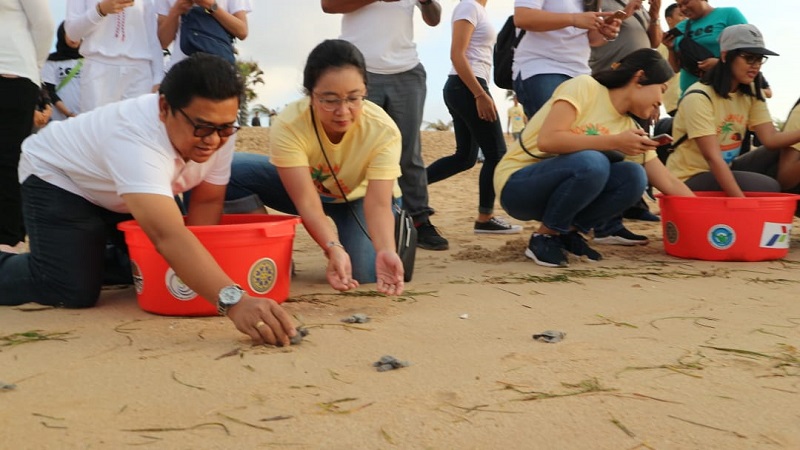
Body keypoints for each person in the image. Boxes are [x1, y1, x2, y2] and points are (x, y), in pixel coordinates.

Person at [0, 54, 296, 347]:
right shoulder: (136, 138)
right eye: (202, 127)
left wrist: (204, 284)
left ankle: (82, 252)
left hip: (124, 193)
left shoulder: (218, 130)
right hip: (60, 177)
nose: (214, 140)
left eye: (225, 128)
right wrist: (234, 301)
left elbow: (206, 203)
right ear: (164, 107)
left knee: (160, 273)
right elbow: (169, 237)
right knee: (69, 289)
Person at [222, 39, 406, 294]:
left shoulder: (383, 130)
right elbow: (307, 202)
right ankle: (267, 253)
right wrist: (332, 247)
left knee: (365, 272)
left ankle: (393, 243)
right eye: (329, 100)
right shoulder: (289, 124)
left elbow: (377, 203)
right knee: (227, 170)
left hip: (361, 199)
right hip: (309, 189)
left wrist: (385, 249)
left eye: (354, 98)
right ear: (310, 94)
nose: (343, 111)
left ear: (365, 90)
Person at [495, 48, 692, 267]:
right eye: (662, 90)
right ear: (640, 77)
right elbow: (548, 140)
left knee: (634, 175)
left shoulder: (629, 127)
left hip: (560, 193)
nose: (660, 102)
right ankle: (544, 237)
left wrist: (706, 213)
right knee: (593, 162)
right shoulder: (585, 87)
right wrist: (615, 141)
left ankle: (568, 233)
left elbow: (668, 181)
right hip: (518, 185)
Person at [321, 0, 449, 251]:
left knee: (409, 151)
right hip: (357, 69)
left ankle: (419, 220)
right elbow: (329, 5)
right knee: (356, 151)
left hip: (407, 70)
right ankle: (358, 221)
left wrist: (426, 2)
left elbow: (434, 18)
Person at [666, 24, 800, 197]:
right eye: (749, 58)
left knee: (780, 152)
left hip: (725, 167)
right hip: (690, 176)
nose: (756, 66)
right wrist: (740, 202)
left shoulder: (751, 92)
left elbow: (771, 139)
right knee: (768, 187)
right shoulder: (699, 97)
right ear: (725, 55)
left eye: (760, 59)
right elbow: (713, 159)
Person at [425, 0, 522, 235]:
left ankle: (404, 190)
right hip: (467, 86)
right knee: (496, 154)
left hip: (465, 86)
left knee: (465, 158)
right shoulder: (468, 6)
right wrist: (479, 94)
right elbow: (457, 55)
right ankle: (485, 218)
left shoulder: (478, 10)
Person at [0, 0, 54, 249]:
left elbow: (44, 24)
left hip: (13, 75)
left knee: (8, 161)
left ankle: (10, 241)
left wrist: (35, 66)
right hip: (16, 74)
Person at [512, 0, 621, 118]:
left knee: (582, 132)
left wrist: (605, 33)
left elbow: (592, 39)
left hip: (580, 73)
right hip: (542, 68)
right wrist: (573, 19)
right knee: (554, 131)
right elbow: (522, 17)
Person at [65, 0, 165, 112]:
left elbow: (152, 37)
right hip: (98, 70)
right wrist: (100, 10)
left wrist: (158, 78)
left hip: (139, 72)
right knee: (97, 127)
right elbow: (72, 33)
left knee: (137, 128)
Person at [663, 0, 746, 96]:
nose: (683, 9)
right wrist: (670, 49)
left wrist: (719, 64)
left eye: (686, 3)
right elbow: (675, 68)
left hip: (723, 94)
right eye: (679, 5)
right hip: (690, 95)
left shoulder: (729, 14)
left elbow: (750, 51)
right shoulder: (680, 27)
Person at [156, 0, 252, 70]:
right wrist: (176, 10)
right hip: (181, 69)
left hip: (220, 69)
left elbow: (242, 31)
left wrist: (211, 6)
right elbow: (162, 42)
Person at [42, 22, 83, 121]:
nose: (74, 38)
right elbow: (49, 91)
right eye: (69, 34)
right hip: (60, 119)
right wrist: (68, 114)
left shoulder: (91, 60)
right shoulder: (51, 61)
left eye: (77, 34)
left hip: (86, 117)